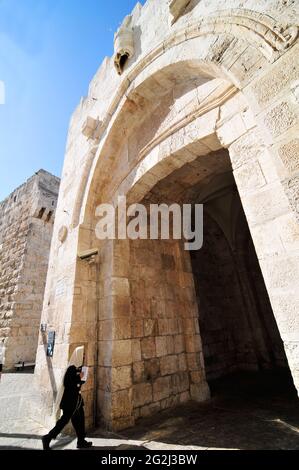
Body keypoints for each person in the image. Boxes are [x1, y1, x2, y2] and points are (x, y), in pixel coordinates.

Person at [42, 365, 93, 450]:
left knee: (80, 421)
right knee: (63, 422)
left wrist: (82, 376)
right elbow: (68, 383)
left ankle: (81, 441)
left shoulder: (78, 369)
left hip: (77, 402)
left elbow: (79, 383)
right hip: (70, 403)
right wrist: (78, 377)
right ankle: (47, 438)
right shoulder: (71, 368)